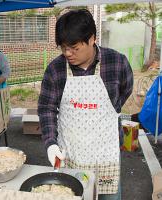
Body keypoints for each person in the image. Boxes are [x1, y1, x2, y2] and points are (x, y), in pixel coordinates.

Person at [38, 9, 133, 200]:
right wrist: (50, 143)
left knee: (109, 196)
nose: (68, 53)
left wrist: (108, 112)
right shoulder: (56, 70)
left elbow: (125, 90)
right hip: (72, 152)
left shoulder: (117, 62)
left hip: (106, 151)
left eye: (74, 47)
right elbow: (46, 108)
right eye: (63, 48)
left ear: (92, 39)